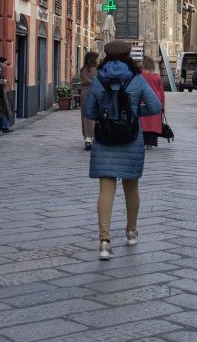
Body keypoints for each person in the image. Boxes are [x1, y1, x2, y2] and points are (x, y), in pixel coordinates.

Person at [84, 40, 163, 261]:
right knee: (131, 188)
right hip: (131, 140)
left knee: (105, 190)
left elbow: (89, 112)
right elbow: (156, 107)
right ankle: (130, 232)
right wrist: (134, 115)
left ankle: (104, 242)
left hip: (105, 139)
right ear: (129, 55)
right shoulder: (136, 79)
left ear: (106, 56)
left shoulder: (99, 80)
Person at [139, 56, 167, 149]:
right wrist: (162, 105)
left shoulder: (140, 75)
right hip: (156, 100)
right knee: (153, 124)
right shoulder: (157, 76)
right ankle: (150, 144)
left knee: (143, 123)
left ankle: (142, 142)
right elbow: (161, 91)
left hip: (143, 100)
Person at [77, 51, 100, 150]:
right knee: (95, 114)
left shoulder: (83, 69)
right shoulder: (96, 69)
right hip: (94, 93)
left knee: (85, 115)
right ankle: (93, 137)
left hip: (84, 93)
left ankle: (87, 138)